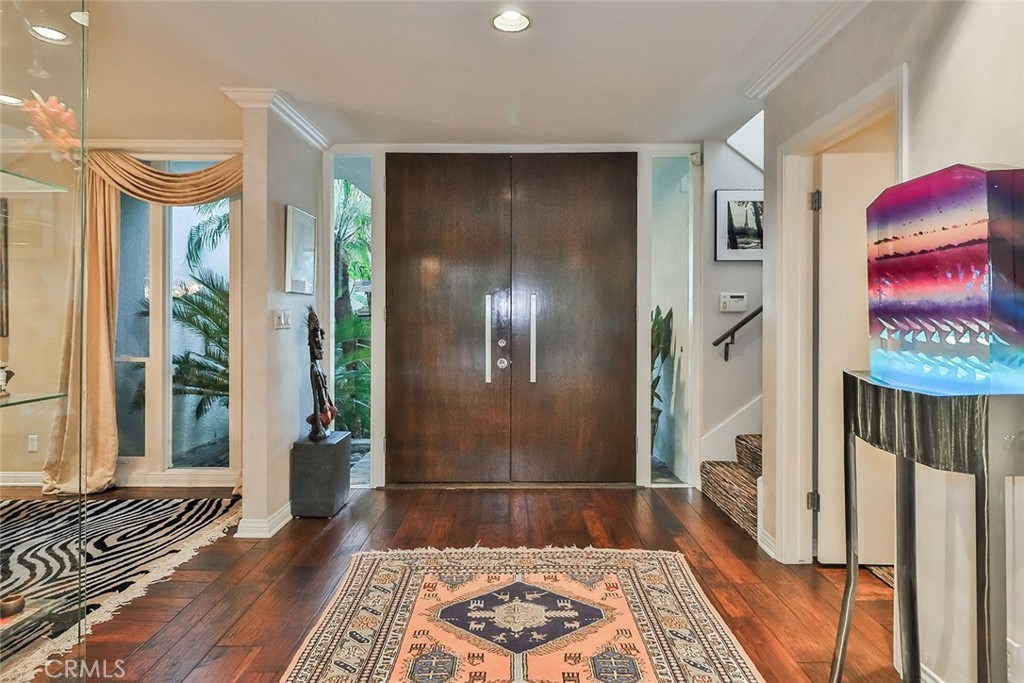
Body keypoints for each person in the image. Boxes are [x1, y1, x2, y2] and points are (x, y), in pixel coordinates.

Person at [306, 307, 337, 441]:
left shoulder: (318, 366)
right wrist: (318, 423)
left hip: (325, 407)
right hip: (321, 412)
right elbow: (315, 397)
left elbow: (324, 391)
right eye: (317, 341)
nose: (321, 346)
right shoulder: (313, 368)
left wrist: (330, 403)